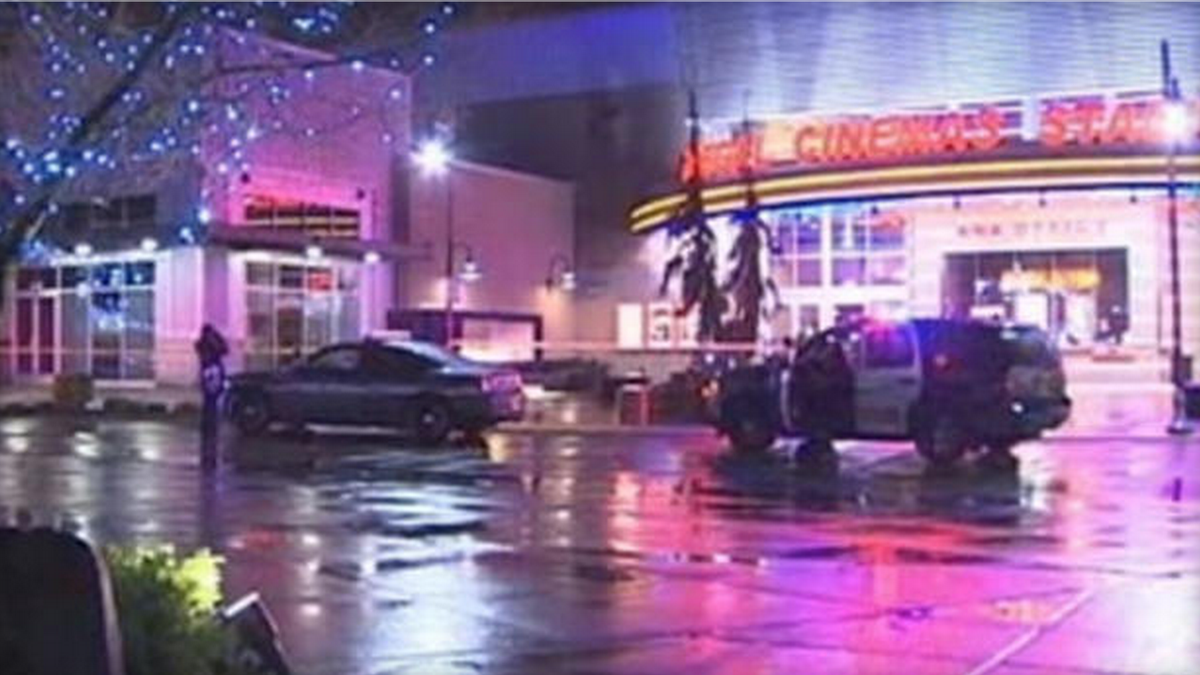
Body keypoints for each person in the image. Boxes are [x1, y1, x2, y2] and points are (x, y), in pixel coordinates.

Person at [194, 324, 229, 471]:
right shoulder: (203, 344)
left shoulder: (209, 344)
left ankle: (209, 425)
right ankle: (208, 426)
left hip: (212, 373)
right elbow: (221, 350)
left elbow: (224, 350)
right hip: (211, 373)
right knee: (209, 401)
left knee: (211, 401)